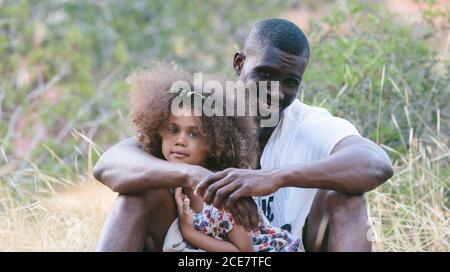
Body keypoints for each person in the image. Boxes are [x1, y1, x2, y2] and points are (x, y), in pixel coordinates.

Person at [94, 18, 394, 252]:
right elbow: (110, 165)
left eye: (290, 81)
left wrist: (277, 177)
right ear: (239, 63)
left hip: (284, 247)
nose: (275, 91)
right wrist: (191, 175)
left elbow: (375, 164)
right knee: (135, 196)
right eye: (265, 73)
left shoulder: (309, 124)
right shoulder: (204, 111)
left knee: (347, 199)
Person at [97, 66, 303, 252]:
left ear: (214, 142)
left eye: (193, 134)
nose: (180, 141)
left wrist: (191, 234)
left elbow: (244, 253)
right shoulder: (163, 177)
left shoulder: (224, 194)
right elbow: (104, 169)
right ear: (158, 130)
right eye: (173, 130)